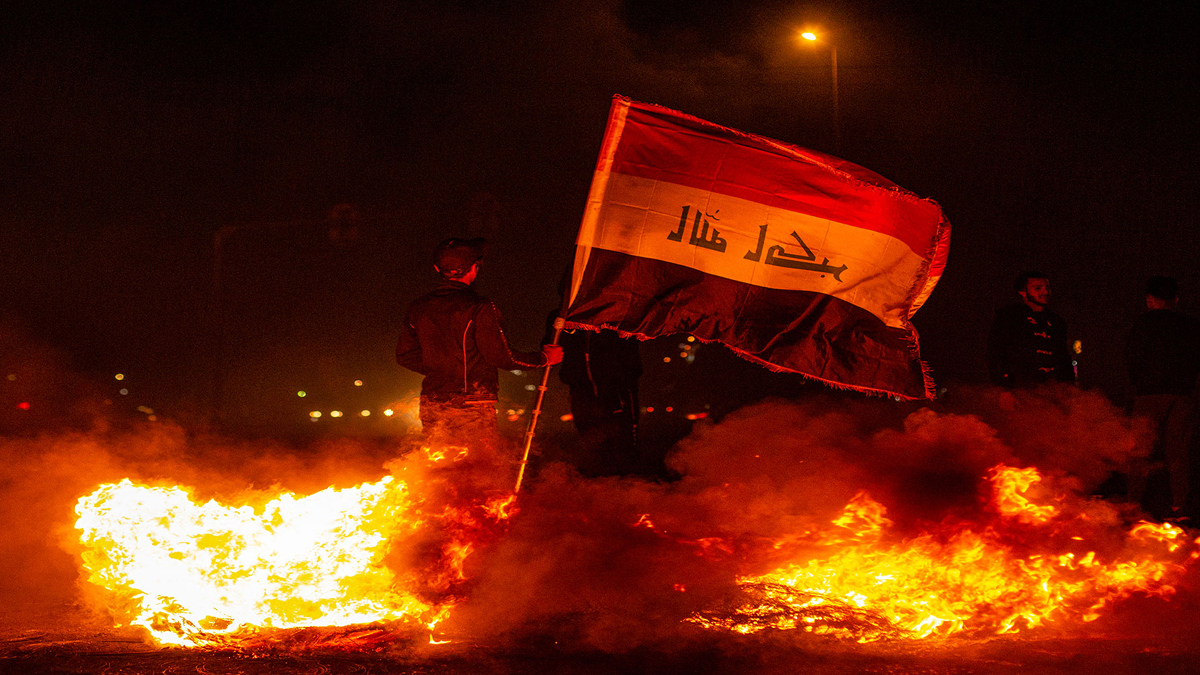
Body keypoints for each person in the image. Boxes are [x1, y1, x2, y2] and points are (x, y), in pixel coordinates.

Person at [396, 237, 562, 453]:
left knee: (440, 469)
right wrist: (544, 358)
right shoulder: (479, 307)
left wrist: (441, 368)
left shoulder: (418, 307)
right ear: (473, 269)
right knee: (476, 471)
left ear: (437, 268)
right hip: (473, 404)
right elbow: (501, 357)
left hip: (433, 402)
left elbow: (405, 355)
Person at [1125, 276, 1200, 518]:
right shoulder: (1190, 325)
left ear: (1150, 300)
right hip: (1181, 395)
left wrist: (1139, 383)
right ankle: (1180, 505)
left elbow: (1131, 357)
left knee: (1140, 450)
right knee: (1178, 451)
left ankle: (1133, 503)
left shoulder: (1142, 324)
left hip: (1148, 394)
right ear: (1175, 299)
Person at [558, 327, 642, 476]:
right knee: (593, 446)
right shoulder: (568, 315)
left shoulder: (617, 319)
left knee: (623, 445)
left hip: (615, 393)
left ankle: (627, 486)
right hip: (582, 391)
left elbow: (631, 360)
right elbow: (553, 345)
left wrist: (621, 383)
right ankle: (599, 486)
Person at [987, 271, 1075, 388]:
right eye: (1038, 288)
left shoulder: (1057, 322)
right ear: (1022, 292)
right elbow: (996, 353)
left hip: (1053, 390)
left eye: (1047, 288)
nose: (1045, 292)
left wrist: (1069, 386)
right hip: (1020, 389)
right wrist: (1004, 388)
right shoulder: (1010, 317)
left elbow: (1064, 358)